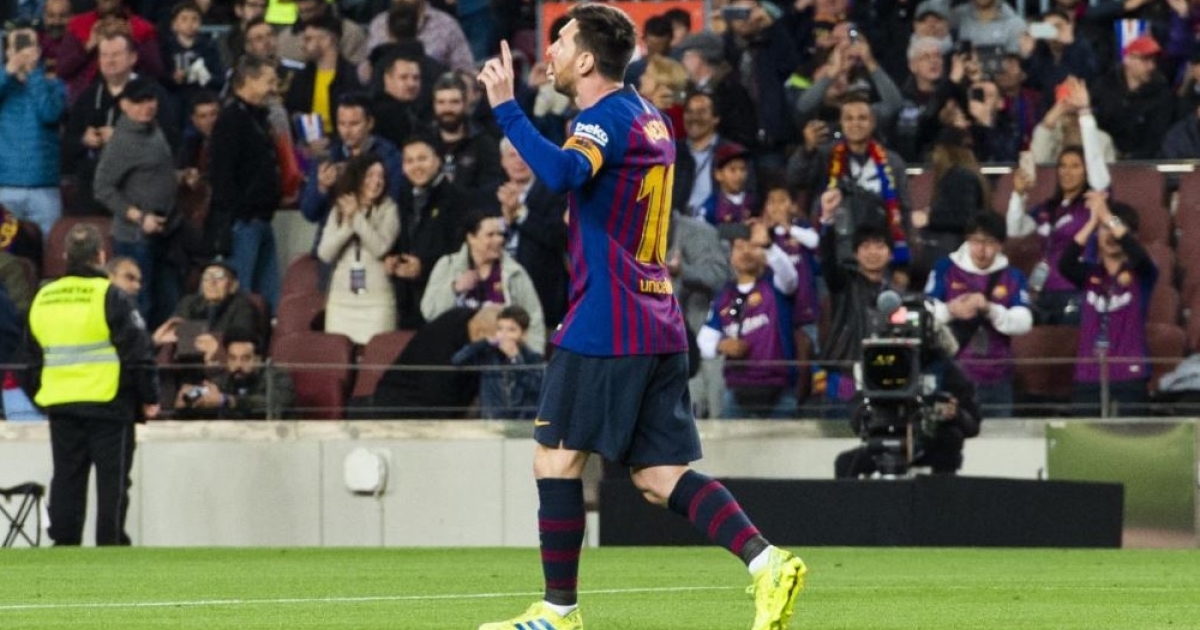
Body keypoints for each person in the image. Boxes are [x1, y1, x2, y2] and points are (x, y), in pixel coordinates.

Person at [475, 5, 806, 630]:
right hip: (657, 317)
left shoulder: (601, 119)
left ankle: (558, 613)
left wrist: (507, 108)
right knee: (658, 476)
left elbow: (562, 173)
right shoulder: (650, 116)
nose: (551, 52)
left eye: (560, 41)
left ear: (586, 60)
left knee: (555, 459)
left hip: (607, 320)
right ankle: (768, 562)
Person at [19, 222, 159, 545]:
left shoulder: (43, 297)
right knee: (112, 483)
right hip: (108, 401)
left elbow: (30, 358)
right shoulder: (111, 295)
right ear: (101, 255)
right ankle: (110, 547)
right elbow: (137, 352)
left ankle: (64, 545)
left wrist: (41, 396)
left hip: (61, 403)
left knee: (66, 479)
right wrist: (148, 396)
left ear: (66, 256)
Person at [1006, 77, 1109, 325]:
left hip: (1078, 292)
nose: (1067, 172)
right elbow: (1014, 229)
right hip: (1041, 293)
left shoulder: (1092, 205)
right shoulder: (1049, 209)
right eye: (1062, 166)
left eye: (1075, 166)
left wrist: (1084, 113)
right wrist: (1018, 195)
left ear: (1086, 171)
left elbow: (1096, 162)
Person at [833, 319, 982, 477]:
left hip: (933, 442)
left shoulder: (946, 369)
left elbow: (972, 424)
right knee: (845, 463)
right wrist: (867, 414)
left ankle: (942, 491)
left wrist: (956, 414)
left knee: (951, 437)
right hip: (885, 435)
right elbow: (857, 416)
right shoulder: (880, 364)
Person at [93, 77, 182, 329]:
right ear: (124, 105)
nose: (147, 106)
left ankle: (161, 351)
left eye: (150, 99)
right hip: (134, 236)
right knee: (139, 305)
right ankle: (137, 351)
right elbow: (102, 188)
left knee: (167, 302)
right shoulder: (122, 142)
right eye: (139, 101)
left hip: (165, 230)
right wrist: (140, 217)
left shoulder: (154, 129)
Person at [925, 212, 1033, 418]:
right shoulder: (946, 268)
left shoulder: (1012, 276)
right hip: (952, 374)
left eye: (989, 243)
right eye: (975, 241)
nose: (981, 250)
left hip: (998, 377)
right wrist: (950, 310)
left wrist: (990, 309)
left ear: (1001, 245)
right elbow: (926, 311)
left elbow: (1024, 321)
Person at [1059, 195, 1156, 417]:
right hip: (1088, 374)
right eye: (1104, 229)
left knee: (1131, 438)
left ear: (1131, 236)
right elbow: (1065, 264)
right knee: (1084, 438)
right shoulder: (1088, 274)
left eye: (1117, 227)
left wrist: (1107, 216)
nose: (1111, 234)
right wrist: (1094, 221)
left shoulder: (1143, 274)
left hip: (1130, 375)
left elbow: (1140, 257)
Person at [697, 221, 799, 419]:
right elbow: (702, 341)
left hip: (780, 392)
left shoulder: (776, 286)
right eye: (739, 247)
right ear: (731, 256)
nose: (745, 251)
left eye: (752, 246)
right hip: (736, 393)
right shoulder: (723, 297)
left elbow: (790, 278)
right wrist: (721, 345)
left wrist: (769, 246)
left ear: (764, 254)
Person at [207, 54, 282, 314]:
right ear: (248, 80)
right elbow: (221, 174)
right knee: (239, 298)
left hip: (262, 219)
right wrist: (238, 213)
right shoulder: (230, 120)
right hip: (243, 223)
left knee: (268, 299)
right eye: (269, 81)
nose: (274, 88)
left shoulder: (259, 118)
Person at [421, 209, 546, 353]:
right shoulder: (447, 265)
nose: (499, 240)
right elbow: (429, 312)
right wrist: (455, 289)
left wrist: (533, 357)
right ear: (471, 238)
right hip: (454, 354)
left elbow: (534, 318)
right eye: (490, 235)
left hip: (500, 358)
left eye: (500, 234)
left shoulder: (515, 272)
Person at [316, 153, 400, 346]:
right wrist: (347, 225)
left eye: (381, 176)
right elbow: (325, 253)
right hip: (341, 301)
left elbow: (380, 248)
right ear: (358, 176)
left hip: (377, 301)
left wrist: (356, 217)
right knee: (338, 354)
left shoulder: (389, 209)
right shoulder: (339, 208)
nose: (376, 182)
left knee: (377, 354)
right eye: (370, 175)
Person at [490, 137, 569, 330]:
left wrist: (521, 214)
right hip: (497, 291)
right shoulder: (489, 195)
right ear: (502, 161)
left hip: (543, 292)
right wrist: (506, 221)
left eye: (524, 154)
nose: (519, 161)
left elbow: (558, 237)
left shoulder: (555, 193)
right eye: (512, 155)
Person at [0, 24, 67, 238]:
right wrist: (8, 71)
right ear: (8, 52)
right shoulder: (3, 85)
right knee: (4, 252)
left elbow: (50, 114)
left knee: (49, 250)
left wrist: (34, 74)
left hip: (44, 187)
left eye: (27, 45)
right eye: (17, 46)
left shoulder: (54, 85)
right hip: (5, 186)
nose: (22, 51)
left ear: (38, 51)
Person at [173, 328, 295, 419]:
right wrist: (184, 407)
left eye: (245, 358)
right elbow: (204, 405)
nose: (238, 365)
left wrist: (227, 400)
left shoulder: (277, 377)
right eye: (233, 358)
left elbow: (272, 403)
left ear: (259, 360)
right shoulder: (223, 380)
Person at [450, 304, 544, 420]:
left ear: (523, 334)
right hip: (491, 422)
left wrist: (515, 359)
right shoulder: (487, 354)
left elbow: (538, 388)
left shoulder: (533, 358)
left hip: (522, 424)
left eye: (511, 330)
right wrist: (485, 342)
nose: (504, 335)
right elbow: (458, 360)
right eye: (500, 329)